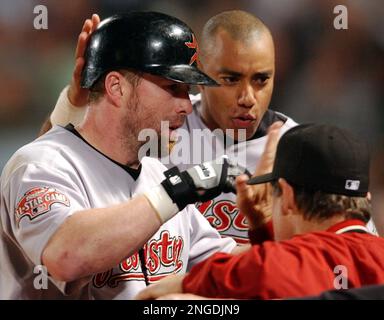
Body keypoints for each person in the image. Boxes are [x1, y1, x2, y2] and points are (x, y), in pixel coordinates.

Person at [0, 12, 250, 299]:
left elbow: (228, 266)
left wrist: (304, 243)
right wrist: (183, 188)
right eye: (173, 88)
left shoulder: (158, 174)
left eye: (188, 91)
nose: (187, 106)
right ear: (116, 87)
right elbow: (64, 257)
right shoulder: (42, 164)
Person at [45, 11, 297, 245]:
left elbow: (310, 263)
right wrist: (74, 104)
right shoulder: (158, 124)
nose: (248, 98)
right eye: (230, 79)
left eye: (261, 80)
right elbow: (52, 166)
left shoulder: (300, 150)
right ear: (200, 77)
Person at [136, 123, 384, 300]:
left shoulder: (266, 266)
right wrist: (263, 230)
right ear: (366, 198)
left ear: (286, 196)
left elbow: (155, 298)